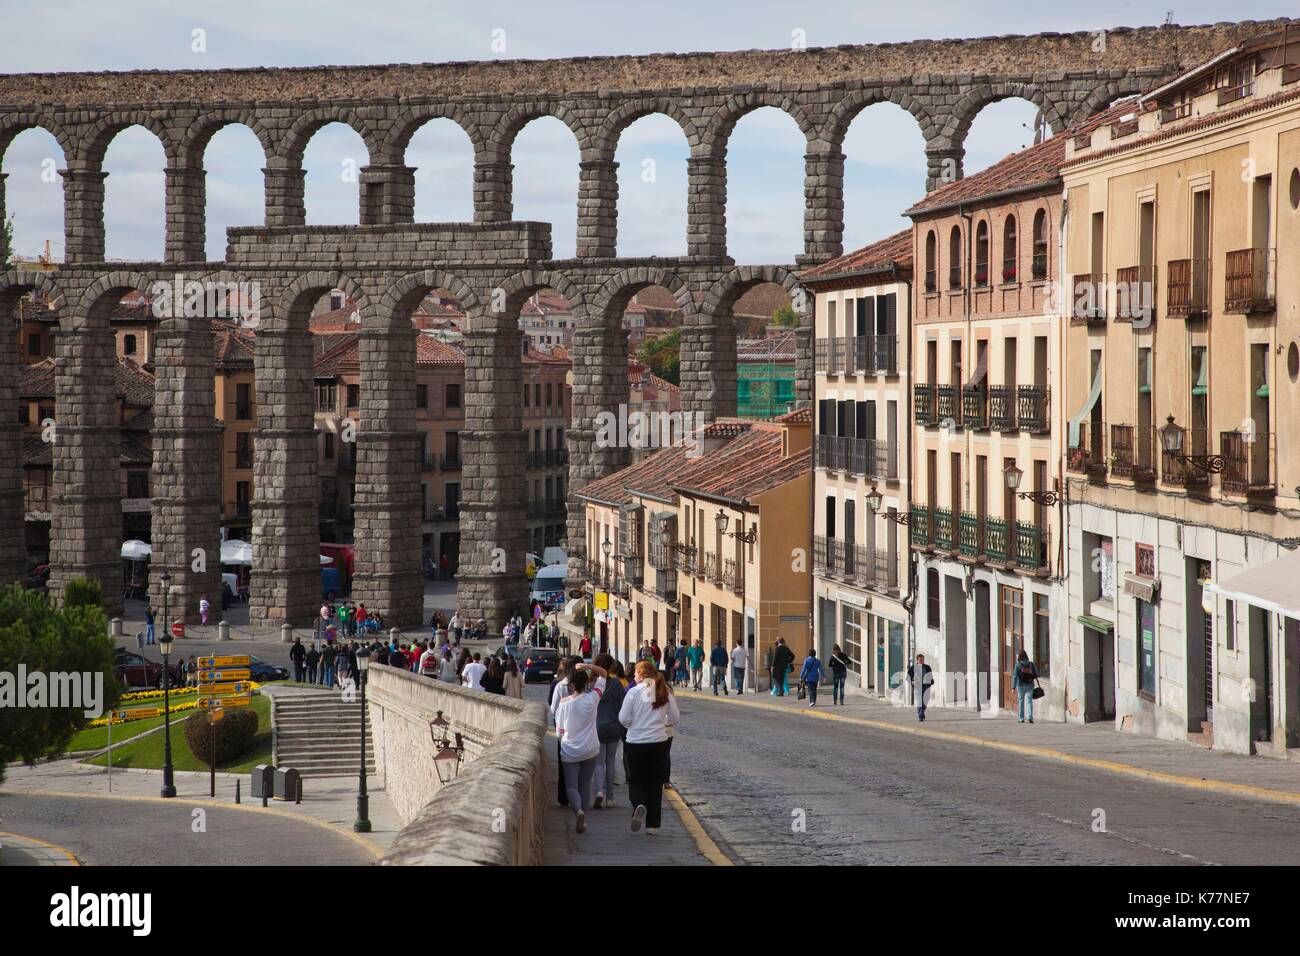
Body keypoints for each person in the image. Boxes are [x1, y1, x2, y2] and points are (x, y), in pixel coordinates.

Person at [619, 660, 680, 835]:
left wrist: (634, 724)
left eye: (636, 674)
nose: (634, 677)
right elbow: (675, 718)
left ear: (642, 674)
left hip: (636, 742)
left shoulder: (633, 692)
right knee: (655, 783)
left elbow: (623, 718)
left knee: (636, 779)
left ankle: (639, 803)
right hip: (658, 742)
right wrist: (662, 722)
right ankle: (652, 825)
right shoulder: (664, 690)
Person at [554, 661, 610, 833]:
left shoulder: (563, 704)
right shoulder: (593, 698)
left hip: (570, 750)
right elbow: (604, 674)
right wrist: (587, 667)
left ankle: (578, 810)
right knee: (585, 785)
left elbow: (559, 731)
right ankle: (584, 815)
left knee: (571, 786)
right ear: (586, 684)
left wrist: (564, 740)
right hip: (591, 748)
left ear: (571, 685)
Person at [593, 653, 625, 809]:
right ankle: (610, 798)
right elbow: (622, 707)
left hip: (597, 727)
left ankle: (599, 791)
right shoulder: (617, 685)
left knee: (599, 763)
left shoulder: (591, 684)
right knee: (610, 762)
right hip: (613, 726)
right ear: (611, 666)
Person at [1014, 649, 1038, 723]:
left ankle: (1021, 718)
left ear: (1019, 657)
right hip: (1030, 685)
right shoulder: (1031, 664)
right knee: (1029, 701)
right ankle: (1030, 717)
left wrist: (1013, 687)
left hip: (1020, 685)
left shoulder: (1018, 665)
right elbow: (1036, 674)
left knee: (1021, 701)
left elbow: (1015, 676)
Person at [908, 654, 934, 721]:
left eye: (923, 659)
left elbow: (930, 675)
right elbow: (908, 677)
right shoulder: (913, 667)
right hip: (918, 687)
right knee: (919, 701)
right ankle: (921, 715)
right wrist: (912, 681)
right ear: (917, 660)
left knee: (925, 701)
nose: (922, 661)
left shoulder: (927, 667)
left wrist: (931, 681)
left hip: (926, 686)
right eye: (920, 660)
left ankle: (922, 712)